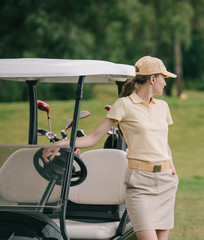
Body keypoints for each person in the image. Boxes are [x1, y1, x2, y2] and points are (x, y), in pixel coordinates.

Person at [42, 56, 179, 240]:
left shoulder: (163, 106)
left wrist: (171, 165)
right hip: (140, 183)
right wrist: (61, 143)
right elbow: (93, 137)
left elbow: (163, 141)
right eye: (164, 78)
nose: (165, 83)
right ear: (152, 79)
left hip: (165, 182)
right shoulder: (124, 105)